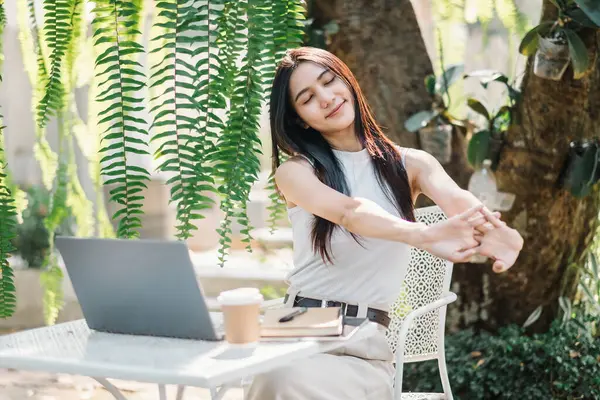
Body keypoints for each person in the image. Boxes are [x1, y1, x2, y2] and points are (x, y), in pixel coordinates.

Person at [246, 47, 523, 400]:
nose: (327, 98)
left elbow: (461, 205)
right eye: (308, 98)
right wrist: (421, 234)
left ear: (347, 79)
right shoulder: (296, 173)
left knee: (284, 380)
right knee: (278, 376)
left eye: (330, 81)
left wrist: (499, 233)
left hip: (363, 341)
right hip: (297, 326)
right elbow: (349, 212)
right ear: (300, 119)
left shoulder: (412, 165)